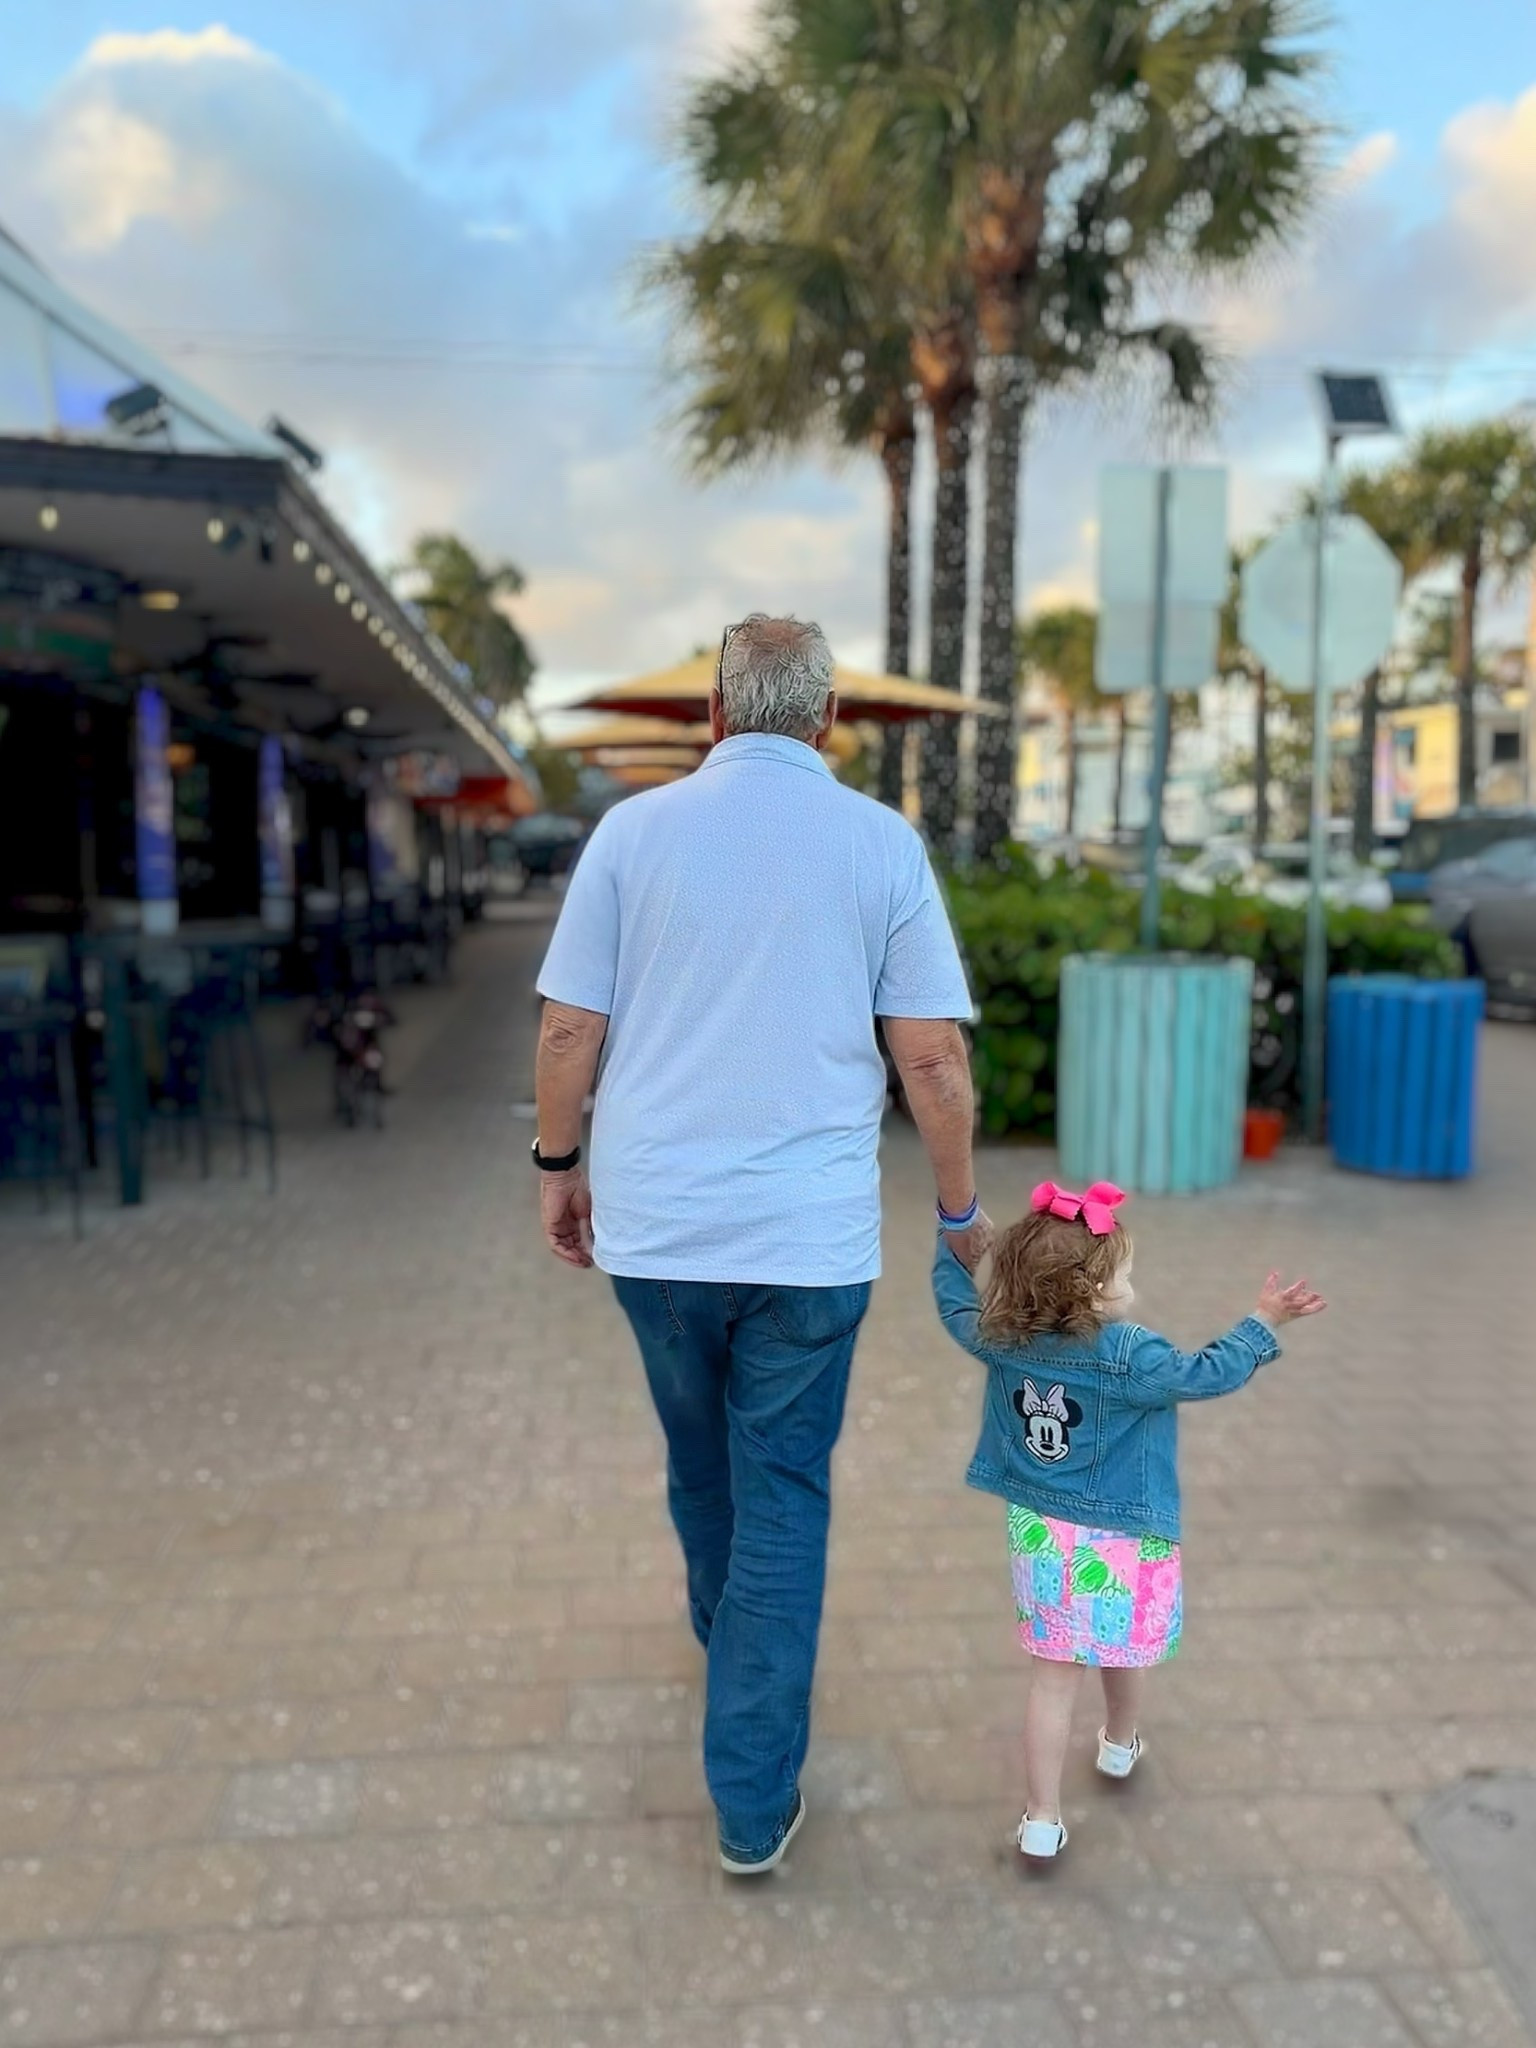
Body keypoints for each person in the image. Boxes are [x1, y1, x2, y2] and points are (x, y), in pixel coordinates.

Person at [533, 614, 988, 1875]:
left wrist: (558, 1169)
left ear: (716, 715)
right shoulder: (880, 844)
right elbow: (935, 1059)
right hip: (810, 1247)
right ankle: (749, 1797)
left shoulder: (633, 834)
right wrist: (958, 1212)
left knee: (699, 1456)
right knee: (782, 1489)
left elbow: (570, 1032)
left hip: (659, 1233)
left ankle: (729, 1643)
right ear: (828, 718)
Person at [932, 1178, 1325, 1861]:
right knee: (1122, 1645)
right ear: (1091, 1292)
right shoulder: (1129, 1352)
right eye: (1124, 1274)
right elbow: (1206, 1373)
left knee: (1055, 1674)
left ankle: (1041, 1819)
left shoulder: (1001, 1336)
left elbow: (953, 1306)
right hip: (1121, 1535)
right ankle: (1119, 1744)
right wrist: (1263, 1324)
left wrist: (954, 1249)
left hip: (1039, 1530)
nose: (1130, 1284)